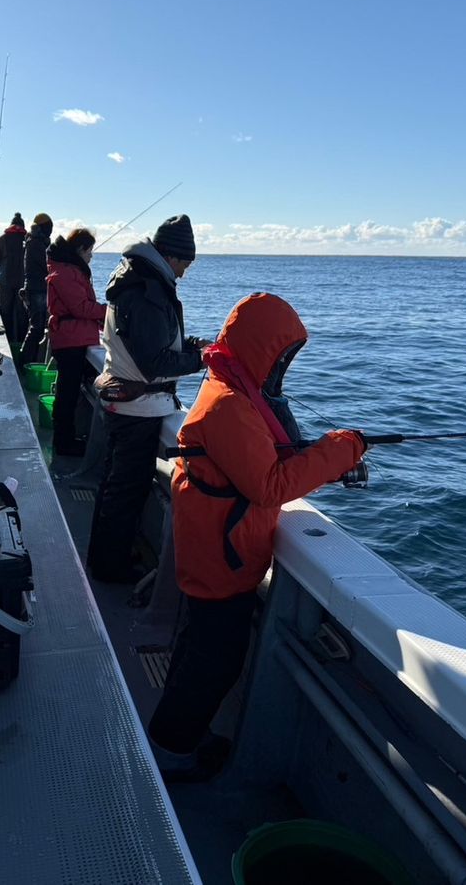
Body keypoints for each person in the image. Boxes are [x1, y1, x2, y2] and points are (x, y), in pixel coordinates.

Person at [146, 292, 367, 781]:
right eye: (281, 357)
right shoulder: (229, 405)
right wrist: (343, 448)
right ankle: (169, 750)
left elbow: (261, 459)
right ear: (261, 352)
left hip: (214, 550)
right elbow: (270, 486)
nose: (282, 369)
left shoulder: (231, 387)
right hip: (221, 559)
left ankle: (176, 735)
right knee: (214, 663)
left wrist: (327, 461)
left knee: (197, 649)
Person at [85, 214, 208, 584]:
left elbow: (149, 344)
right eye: (185, 263)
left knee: (113, 485)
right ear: (171, 256)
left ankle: (103, 557)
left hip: (124, 402)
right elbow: (154, 364)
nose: (185, 273)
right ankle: (110, 568)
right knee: (125, 491)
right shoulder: (147, 292)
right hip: (139, 409)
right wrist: (202, 358)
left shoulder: (133, 279)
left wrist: (188, 347)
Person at [46, 227, 106, 456]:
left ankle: (66, 437)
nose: (91, 256)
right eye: (90, 251)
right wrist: (109, 312)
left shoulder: (67, 270)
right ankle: (64, 443)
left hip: (72, 338)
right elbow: (81, 307)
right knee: (67, 394)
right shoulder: (66, 273)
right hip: (71, 341)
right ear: (81, 249)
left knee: (69, 391)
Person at [18, 212, 53, 367]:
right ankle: (24, 361)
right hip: (37, 290)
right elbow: (47, 267)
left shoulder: (34, 242)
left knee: (35, 327)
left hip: (35, 289)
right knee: (36, 328)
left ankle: (27, 359)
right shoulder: (37, 244)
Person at [0, 213, 27, 345]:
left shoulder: (0, 240)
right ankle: (20, 342)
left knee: (6, 310)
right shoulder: (27, 240)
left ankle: (7, 339)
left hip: (5, 280)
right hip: (23, 282)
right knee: (21, 312)